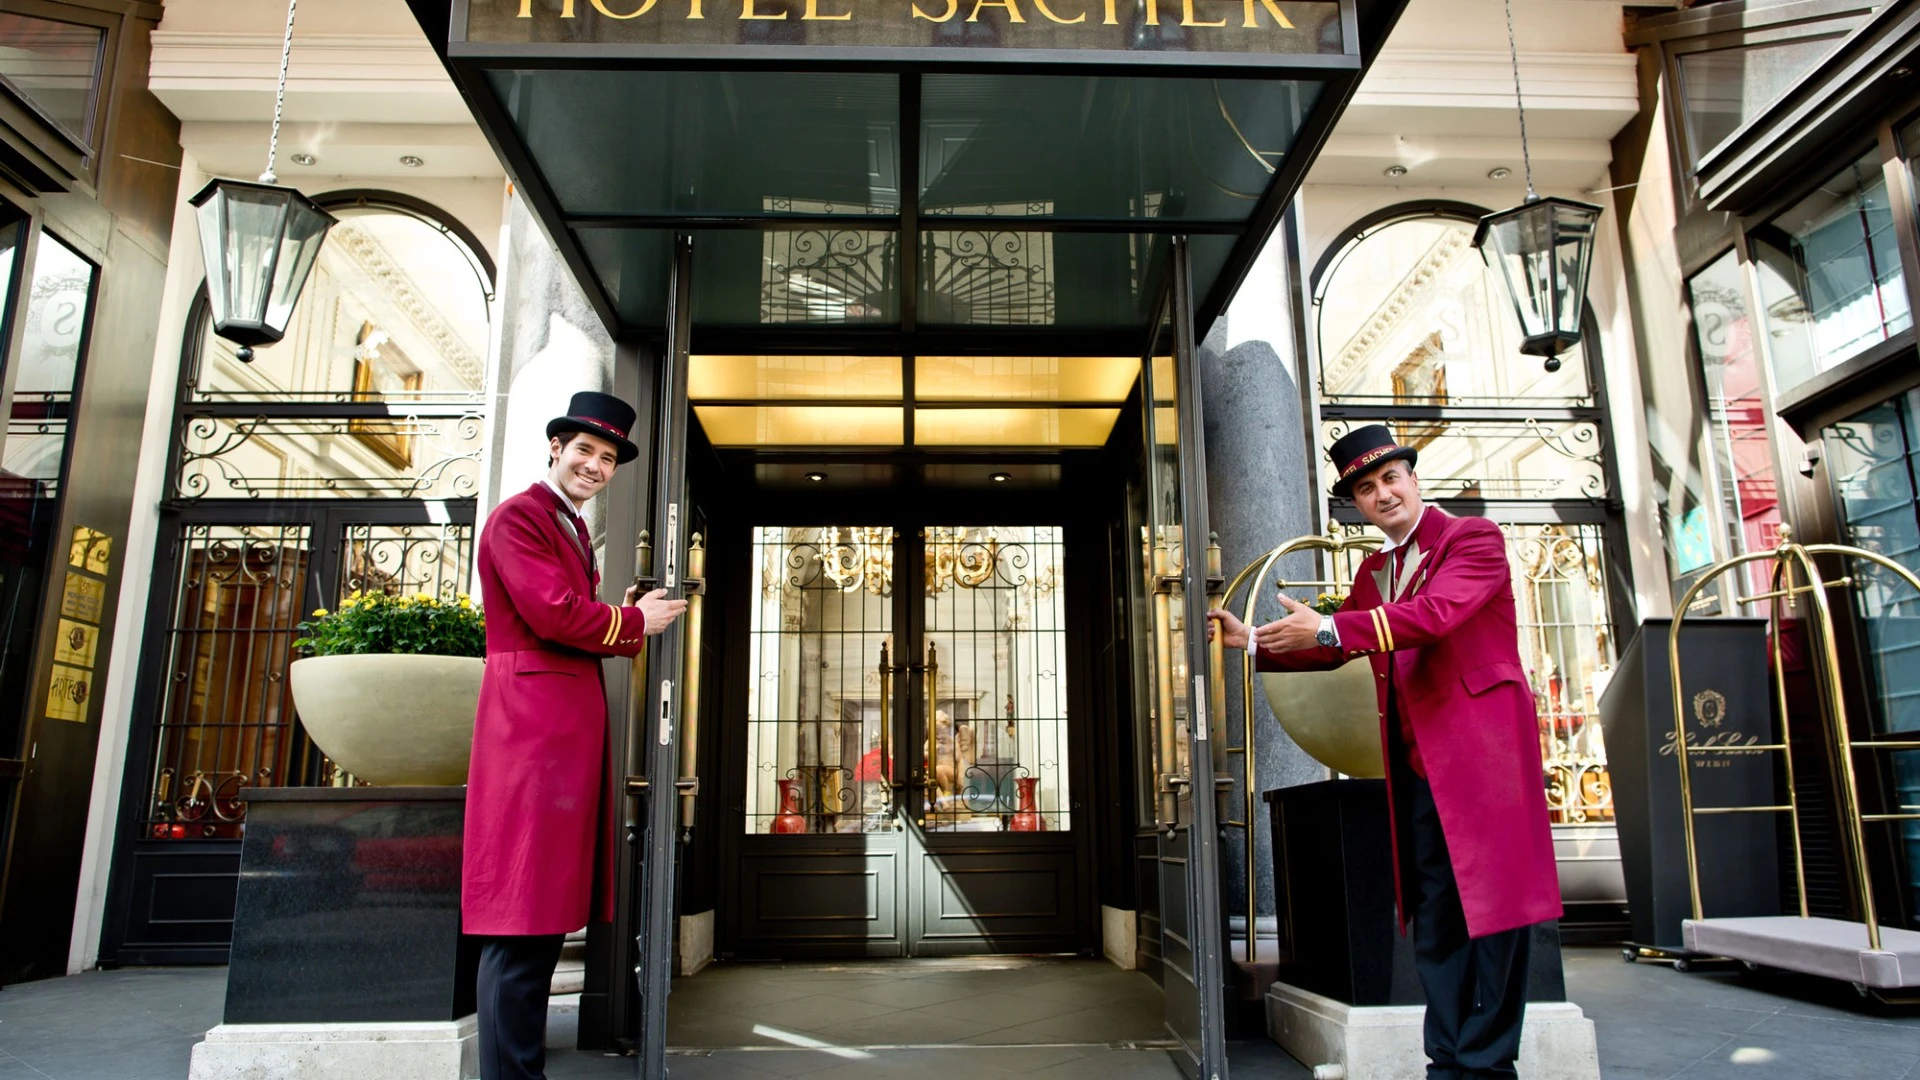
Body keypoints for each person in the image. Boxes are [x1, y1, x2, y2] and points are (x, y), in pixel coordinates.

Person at [1209, 424, 1559, 1080]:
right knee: (1436, 921)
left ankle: (1487, 1064)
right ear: (1359, 504)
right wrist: (1253, 639)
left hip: (1483, 767)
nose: (1383, 494)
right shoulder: (1376, 570)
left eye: (1391, 478)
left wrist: (1334, 624)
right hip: (1418, 771)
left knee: (1495, 917)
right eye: (1366, 489)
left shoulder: (1472, 540)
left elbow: (1436, 614)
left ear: (1413, 478)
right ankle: (1449, 1060)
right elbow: (1333, 643)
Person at [463, 391, 688, 1080]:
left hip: (555, 738)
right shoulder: (519, 518)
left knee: (541, 917)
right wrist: (630, 624)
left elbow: (564, 614)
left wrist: (616, 617)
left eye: (608, 457)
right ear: (555, 448)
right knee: (521, 921)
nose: (595, 464)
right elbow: (551, 611)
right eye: (585, 450)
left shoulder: (566, 525)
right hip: (530, 738)